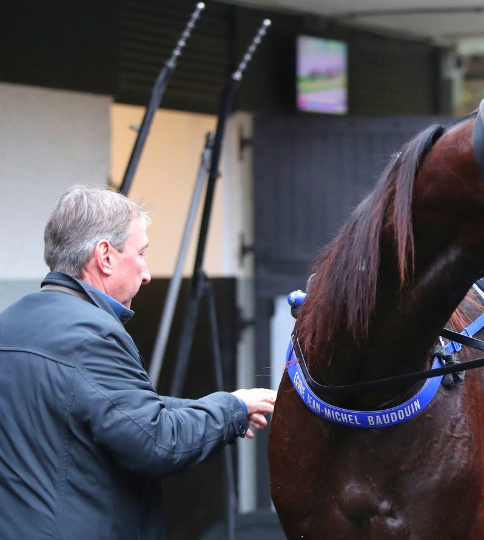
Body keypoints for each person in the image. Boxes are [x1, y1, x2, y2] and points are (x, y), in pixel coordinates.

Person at [0, 185, 277, 539]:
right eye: (141, 253)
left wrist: (227, 405)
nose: (146, 273)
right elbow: (157, 441)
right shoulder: (92, 336)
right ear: (105, 256)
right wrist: (232, 409)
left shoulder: (9, 325)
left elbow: (111, 412)